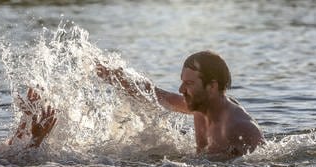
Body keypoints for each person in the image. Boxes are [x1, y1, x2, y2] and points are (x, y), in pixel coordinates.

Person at [96, 50, 264, 160]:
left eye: (189, 83)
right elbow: (156, 95)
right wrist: (114, 76)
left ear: (212, 86)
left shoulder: (239, 128)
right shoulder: (201, 107)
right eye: (182, 82)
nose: (181, 89)